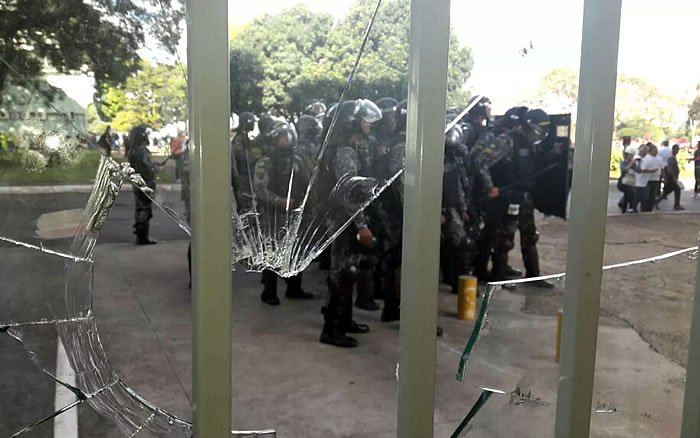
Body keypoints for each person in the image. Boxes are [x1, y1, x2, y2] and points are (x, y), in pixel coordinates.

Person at [319, 99, 383, 348]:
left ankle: (344, 321)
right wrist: (361, 225)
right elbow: (349, 194)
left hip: (346, 219)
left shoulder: (350, 148)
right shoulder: (344, 152)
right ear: (353, 123)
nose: (369, 125)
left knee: (349, 273)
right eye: (366, 120)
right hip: (344, 220)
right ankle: (332, 329)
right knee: (342, 274)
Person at [472, 107, 555, 288]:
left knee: (530, 236)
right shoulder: (506, 141)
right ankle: (499, 277)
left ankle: (533, 275)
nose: (536, 137)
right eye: (535, 132)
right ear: (527, 126)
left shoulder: (530, 143)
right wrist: (489, 186)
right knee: (504, 239)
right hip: (506, 198)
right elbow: (480, 161)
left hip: (524, 197)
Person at [254, 122, 314, 305]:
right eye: (282, 137)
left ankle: (294, 288)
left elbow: (307, 181)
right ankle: (269, 292)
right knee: (271, 251)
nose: (286, 140)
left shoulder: (297, 160)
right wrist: (279, 201)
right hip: (272, 215)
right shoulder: (265, 162)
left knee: (295, 250)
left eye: (289, 136)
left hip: (294, 213)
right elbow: (259, 188)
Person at [127, 126, 158, 245]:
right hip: (146, 183)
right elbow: (147, 167)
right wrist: (155, 168)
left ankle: (140, 235)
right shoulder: (143, 150)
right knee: (145, 210)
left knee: (140, 209)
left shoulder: (132, 150)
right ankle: (143, 237)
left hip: (137, 183)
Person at [231, 112, 261, 211]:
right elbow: (245, 161)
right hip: (243, 185)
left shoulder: (245, 139)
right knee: (246, 213)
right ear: (247, 122)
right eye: (252, 122)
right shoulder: (239, 141)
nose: (253, 125)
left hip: (246, 184)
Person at [656, 144, 684, 211]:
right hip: (671, 177)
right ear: (673, 149)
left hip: (671, 177)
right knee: (677, 190)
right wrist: (673, 176)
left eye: (678, 150)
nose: (677, 151)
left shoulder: (673, 157)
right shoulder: (671, 158)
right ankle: (676, 205)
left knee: (667, 191)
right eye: (676, 149)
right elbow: (670, 169)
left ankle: (656, 201)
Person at [641, 144, 663, 212]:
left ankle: (650, 209)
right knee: (646, 196)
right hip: (647, 180)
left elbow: (662, 168)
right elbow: (642, 169)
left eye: (657, 150)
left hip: (656, 179)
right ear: (650, 151)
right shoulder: (646, 158)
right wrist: (651, 171)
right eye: (654, 150)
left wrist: (663, 177)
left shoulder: (659, 158)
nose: (656, 151)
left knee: (653, 196)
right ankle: (644, 209)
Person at [617, 146, 637, 213]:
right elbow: (624, 170)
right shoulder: (623, 162)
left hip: (631, 182)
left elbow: (639, 170)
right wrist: (630, 164)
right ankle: (625, 207)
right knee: (629, 193)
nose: (631, 157)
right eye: (630, 155)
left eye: (632, 155)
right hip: (623, 182)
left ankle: (628, 207)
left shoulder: (634, 163)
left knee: (631, 194)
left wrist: (638, 163)